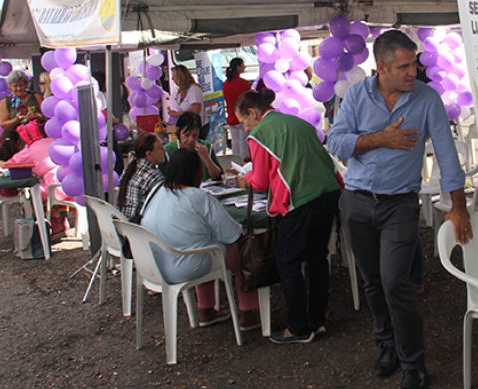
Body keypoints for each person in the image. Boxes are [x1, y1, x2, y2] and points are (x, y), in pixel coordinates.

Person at [327, 29, 472, 389]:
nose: (414, 72)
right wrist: (381, 138)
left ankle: (413, 363)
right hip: (357, 202)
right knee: (373, 282)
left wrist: (459, 208)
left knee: (396, 282)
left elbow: (447, 155)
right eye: (405, 66)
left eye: (415, 64)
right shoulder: (357, 95)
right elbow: (336, 142)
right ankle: (386, 345)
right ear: (381, 68)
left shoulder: (426, 99)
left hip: (399, 205)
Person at [235, 89, 342, 344]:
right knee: (317, 258)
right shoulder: (297, 122)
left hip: (300, 198)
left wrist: (245, 178)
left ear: (253, 113)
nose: (245, 128)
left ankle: (298, 327)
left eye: (243, 121)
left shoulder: (261, 134)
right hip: (328, 191)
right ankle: (317, 320)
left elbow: (260, 182)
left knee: (287, 262)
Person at [141, 148, 260, 330]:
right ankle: (247, 312)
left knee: (204, 244)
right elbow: (232, 234)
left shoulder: (157, 193)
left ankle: (206, 310)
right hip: (186, 265)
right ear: (195, 172)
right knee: (242, 251)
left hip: (155, 264)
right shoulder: (198, 197)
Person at [0, 121, 73, 234]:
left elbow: (8, 165)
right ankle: (63, 218)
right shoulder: (50, 141)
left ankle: (52, 220)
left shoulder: (28, 151)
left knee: (35, 192)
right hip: (71, 184)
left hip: (55, 189)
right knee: (48, 190)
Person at [116, 133, 165, 222]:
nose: (164, 151)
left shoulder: (130, 168)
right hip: (140, 229)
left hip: (123, 225)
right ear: (149, 154)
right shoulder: (154, 176)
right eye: (160, 148)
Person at [163, 111, 222, 182]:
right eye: (186, 135)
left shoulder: (205, 147)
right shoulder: (167, 151)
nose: (191, 140)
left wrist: (206, 157)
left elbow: (218, 177)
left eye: (194, 135)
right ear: (178, 131)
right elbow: (165, 181)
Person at [222, 58, 253, 161]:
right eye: (242, 65)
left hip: (231, 117)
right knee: (244, 142)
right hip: (242, 117)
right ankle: (244, 164)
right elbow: (249, 99)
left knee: (236, 143)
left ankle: (235, 163)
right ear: (238, 67)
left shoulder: (226, 84)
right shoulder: (243, 83)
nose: (244, 67)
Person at [167, 65, 207, 138]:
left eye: (174, 76)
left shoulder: (194, 89)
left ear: (181, 77)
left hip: (196, 127)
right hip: (187, 127)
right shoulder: (180, 92)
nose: (173, 79)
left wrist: (178, 114)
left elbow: (195, 110)